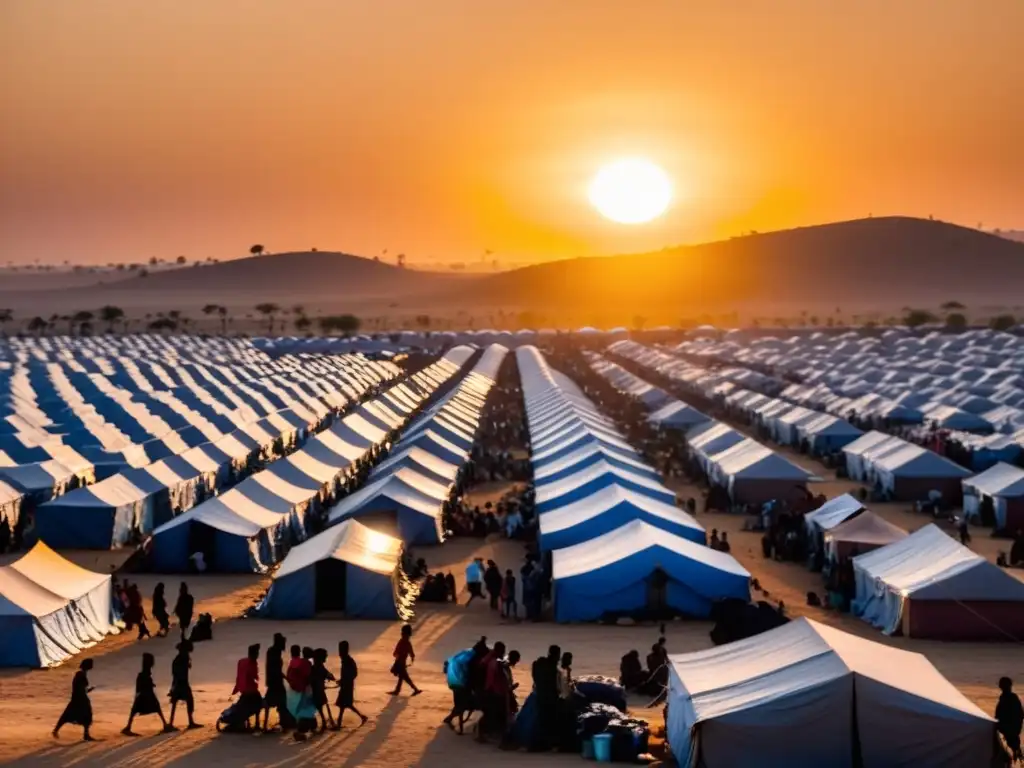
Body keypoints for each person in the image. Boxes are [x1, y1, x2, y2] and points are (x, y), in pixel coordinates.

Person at [123, 653, 174, 735]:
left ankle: (128, 727)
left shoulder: (145, 670)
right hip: (147, 693)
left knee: (135, 709)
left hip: (144, 693)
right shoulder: (146, 670)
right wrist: (150, 684)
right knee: (156, 707)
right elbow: (145, 680)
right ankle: (165, 724)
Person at [53, 659, 95, 741]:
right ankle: (86, 735)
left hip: (79, 698)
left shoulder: (82, 674)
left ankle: (56, 730)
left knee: (68, 715)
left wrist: (88, 690)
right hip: (79, 699)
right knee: (85, 716)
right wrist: (85, 693)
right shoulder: (80, 674)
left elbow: (80, 688)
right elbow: (79, 688)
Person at [529, 645, 561, 752]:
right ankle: (544, 744)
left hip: (540, 696)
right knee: (548, 722)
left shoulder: (539, 664)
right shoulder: (553, 669)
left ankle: (537, 743)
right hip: (550, 699)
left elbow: (535, 677)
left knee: (541, 720)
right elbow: (556, 687)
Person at [478, 641, 509, 743]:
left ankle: (484, 733)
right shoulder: (496, 662)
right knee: (493, 712)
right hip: (494, 691)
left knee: (488, 713)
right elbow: (500, 679)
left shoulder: (489, 659)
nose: (504, 653)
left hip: (488, 689)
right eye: (503, 651)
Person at [334, 641, 368, 729]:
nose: (339, 652)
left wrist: (344, 681)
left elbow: (353, 673)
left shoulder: (348, 661)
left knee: (344, 705)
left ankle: (339, 724)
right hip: (346, 685)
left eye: (341, 650)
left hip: (347, 686)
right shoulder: (345, 660)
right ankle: (361, 717)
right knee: (346, 704)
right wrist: (342, 680)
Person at [168, 640, 201, 730]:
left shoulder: (181, 658)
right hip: (182, 683)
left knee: (176, 702)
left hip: (179, 683)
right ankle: (190, 722)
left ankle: (171, 723)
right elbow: (179, 673)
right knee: (189, 701)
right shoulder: (182, 659)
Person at [285, 646, 316, 741]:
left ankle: (304, 727)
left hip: (298, 688)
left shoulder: (300, 662)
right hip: (305, 688)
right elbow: (308, 676)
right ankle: (303, 729)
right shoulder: (307, 663)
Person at [263, 633, 290, 732]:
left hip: (273, 681)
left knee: (273, 702)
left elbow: (272, 668)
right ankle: (283, 724)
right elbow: (276, 669)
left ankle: (266, 725)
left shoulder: (271, 651)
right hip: (276, 681)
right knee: (281, 702)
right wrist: (285, 678)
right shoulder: (275, 652)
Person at [232, 643, 263, 730]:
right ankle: (257, 723)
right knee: (259, 703)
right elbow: (254, 676)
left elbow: (239, 675)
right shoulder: (252, 663)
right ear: (254, 654)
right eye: (257, 653)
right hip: (251, 690)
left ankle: (248, 722)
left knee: (245, 705)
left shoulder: (242, 661)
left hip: (242, 689)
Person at [390, 624, 422, 696]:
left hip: (399, 662)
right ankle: (398, 690)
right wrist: (412, 657)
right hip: (402, 662)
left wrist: (397, 656)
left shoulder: (401, 641)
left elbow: (395, 652)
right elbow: (411, 652)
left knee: (404, 677)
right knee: (402, 677)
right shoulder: (408, 642)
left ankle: (414, 689)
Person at [996, 677, 1023, 763]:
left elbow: (1020, 714)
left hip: (1009, 729)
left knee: (1013, 746)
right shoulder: (1008, 698)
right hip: (1010, 729)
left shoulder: (1008, 698)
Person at [311, 648, 336, 732]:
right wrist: (333, 678)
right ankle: (324, 722)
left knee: (318, 707)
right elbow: (328, 675)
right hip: (318, 691)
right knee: (319, 706)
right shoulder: (320, 667)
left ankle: (323, 723)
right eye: (325, 656)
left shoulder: (316, 666)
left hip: (316, 690)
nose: (326, 658)